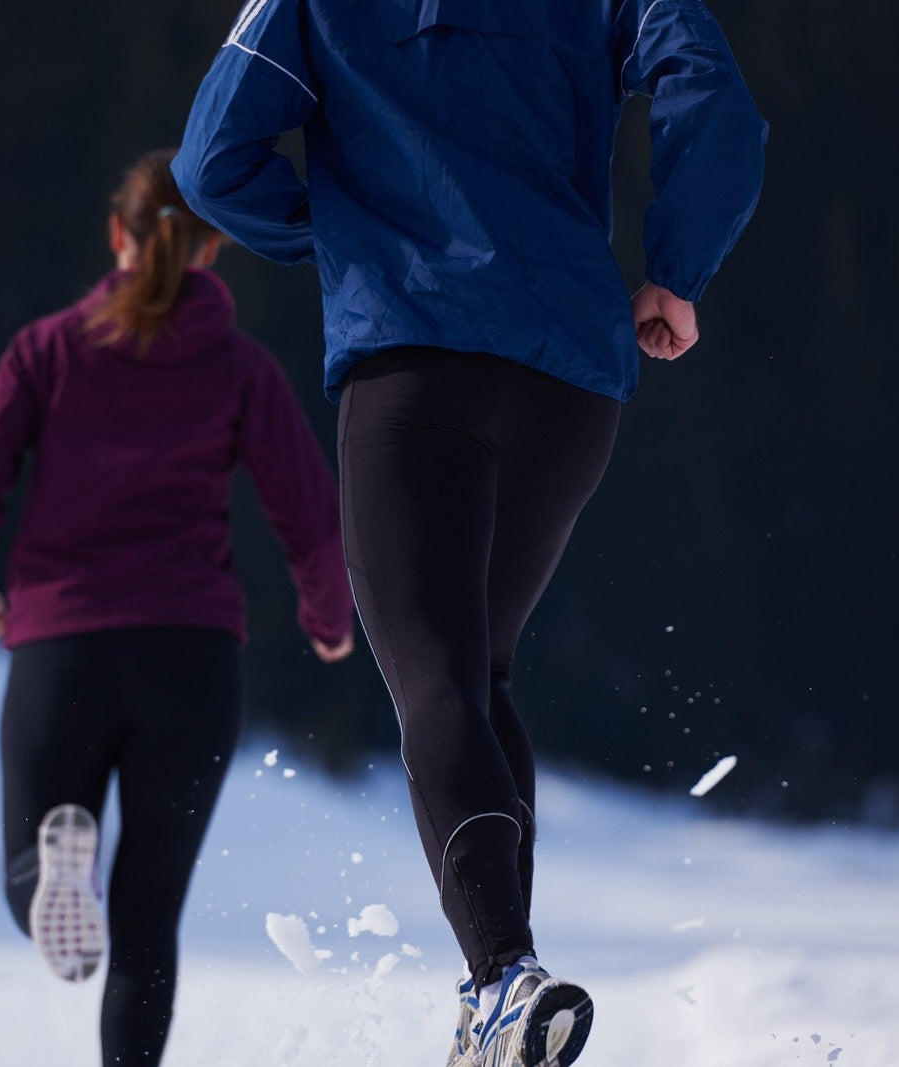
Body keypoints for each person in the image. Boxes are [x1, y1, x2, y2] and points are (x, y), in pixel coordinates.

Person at [172, 1, 767, 1064]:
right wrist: (676, 268)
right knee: (478, 675)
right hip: (569, 375)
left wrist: (348, 233)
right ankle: (497, 999)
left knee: (438, 675)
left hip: (413, 360)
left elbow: (213, 163)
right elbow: (713, 92)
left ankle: (502, 974)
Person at [0, 148, 355, 1067]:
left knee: (31, 878)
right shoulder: (241, 367)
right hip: (193, 660)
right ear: (214, 249)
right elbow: (313, 517)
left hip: (63, 652)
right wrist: (327, 621)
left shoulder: (46, 349)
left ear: (117, 235)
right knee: (148, 917)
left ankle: (56, 870)